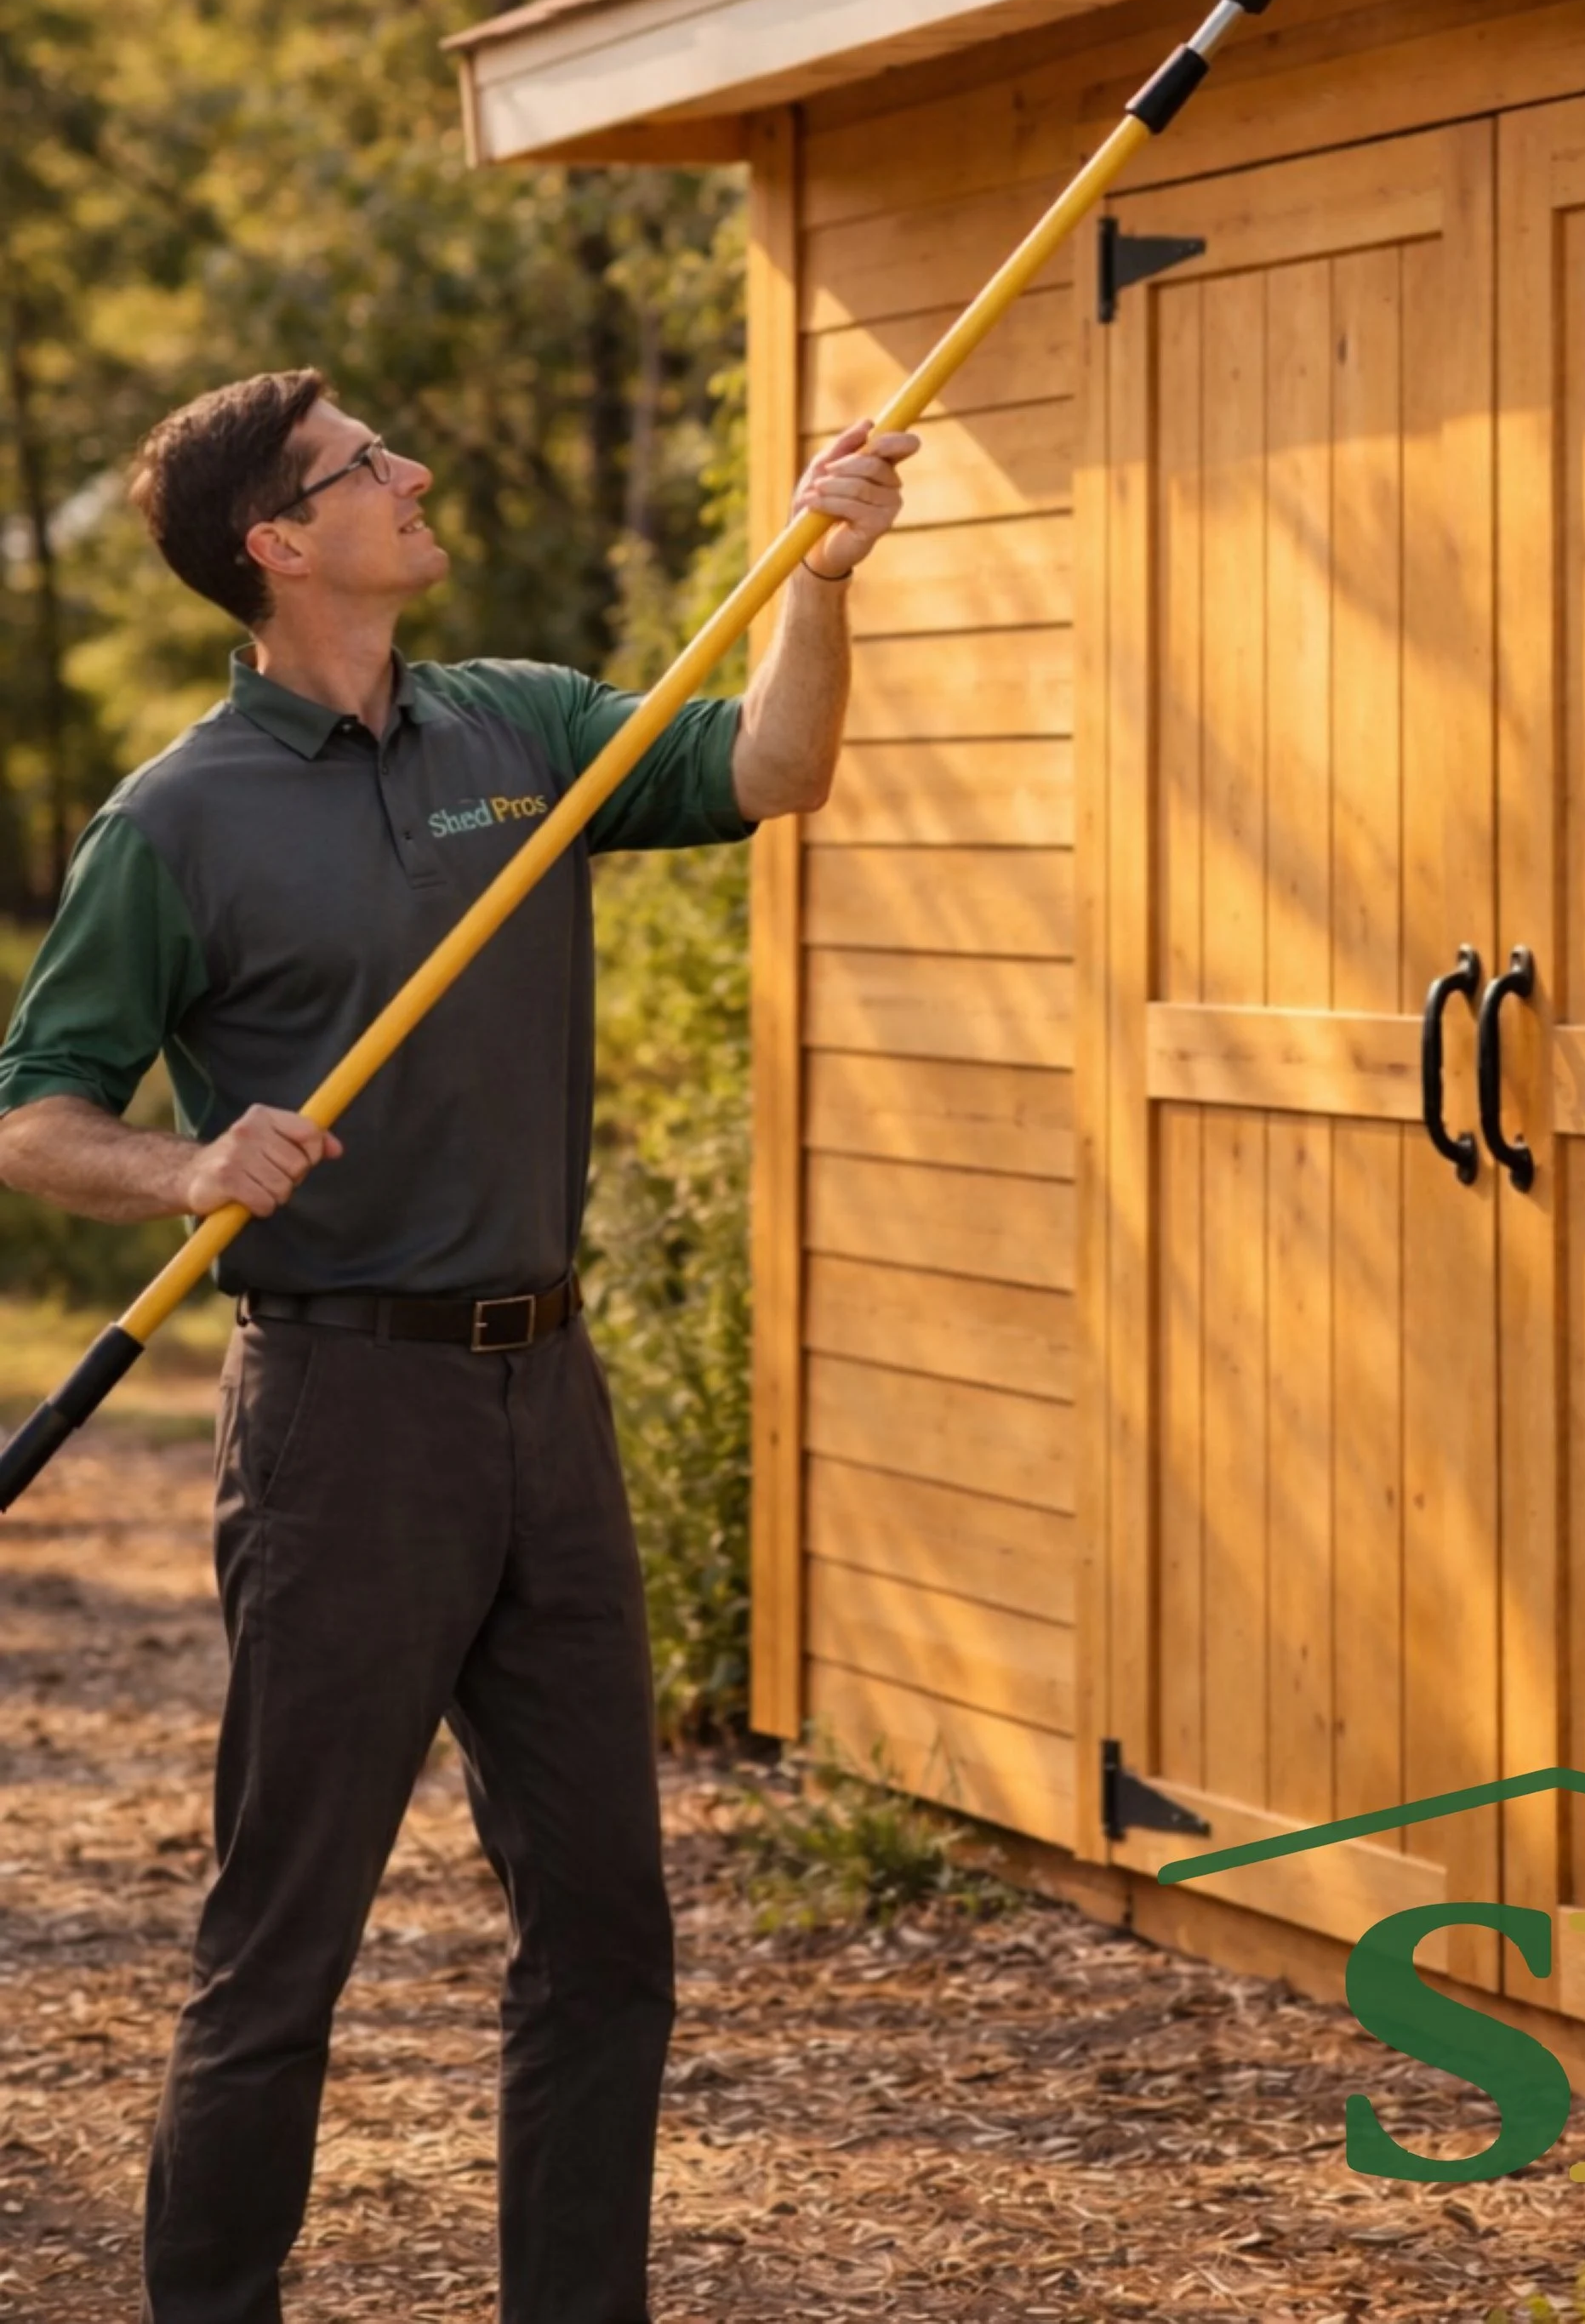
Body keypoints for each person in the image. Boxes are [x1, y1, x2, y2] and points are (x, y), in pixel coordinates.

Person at [0, 367, 918, 2324]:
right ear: (275, 540)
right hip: (345, 1417)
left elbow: (770, 772)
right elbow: (34, 1112)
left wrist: (822, 576)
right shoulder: (177, 822)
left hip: (546, 1398)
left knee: (606, 1939)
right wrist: (183, 1167)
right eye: (362, 468)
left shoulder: (523, 724)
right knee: (283, 1954)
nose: (413, 473)